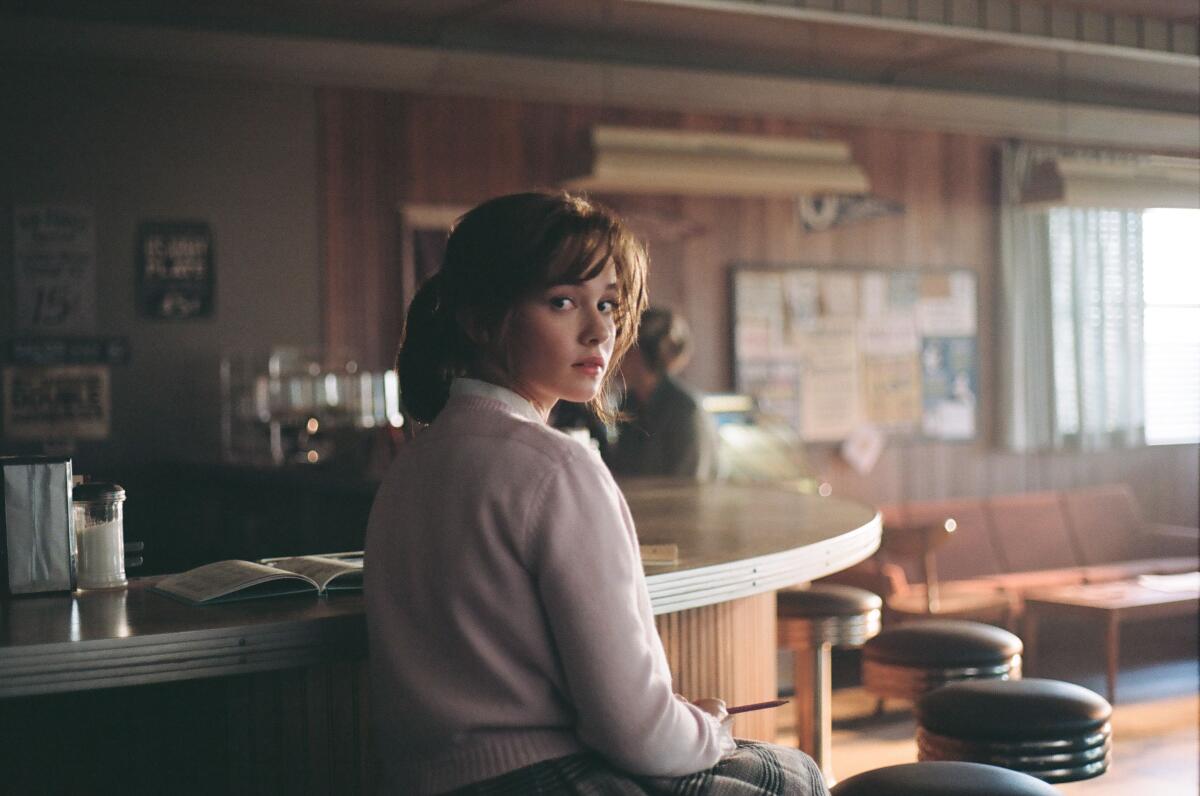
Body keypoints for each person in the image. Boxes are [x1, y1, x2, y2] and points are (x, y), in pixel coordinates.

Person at [365, 192, 828, 795]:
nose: (600, 329)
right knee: (797, 777)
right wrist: (709, 730)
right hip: (548, 777)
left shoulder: (414, 462)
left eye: (608, 303)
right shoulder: (556, 468)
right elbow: (634, 730)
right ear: (481, 319)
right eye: (562, 302)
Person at [608, 307, 720, 481]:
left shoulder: (685, 409)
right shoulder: (628, 403)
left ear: (637, 354)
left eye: (620, 348)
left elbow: (690, 484)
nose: (610, 358)